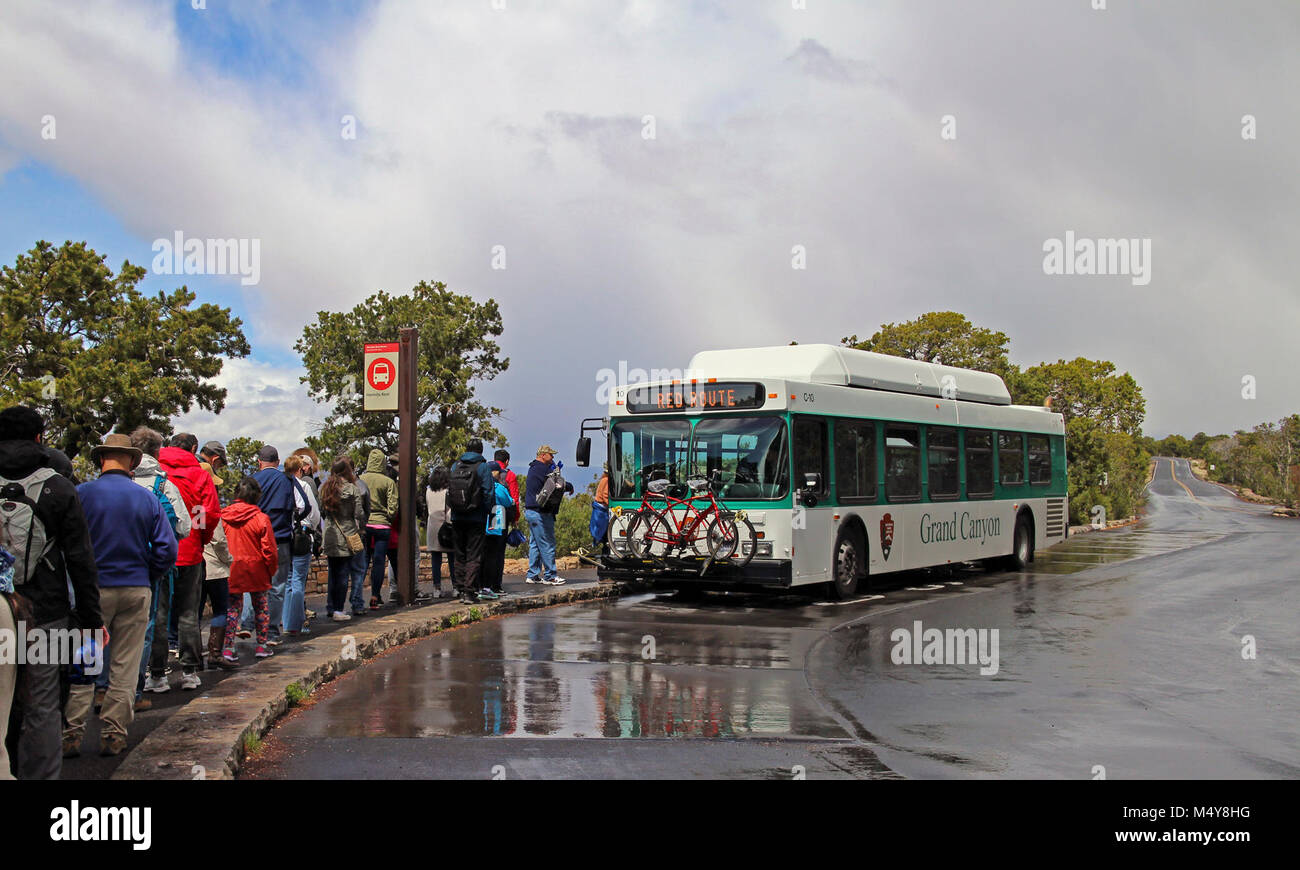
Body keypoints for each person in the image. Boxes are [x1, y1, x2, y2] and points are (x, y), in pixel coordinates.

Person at [0, 406, 101, 779]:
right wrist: (91, 620)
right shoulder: (58, 487)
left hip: (0, 609)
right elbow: (80, 560)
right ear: (40, 437)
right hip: (45, 612)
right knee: (42, 704)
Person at [64, 433, 176, 758]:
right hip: (135, 588)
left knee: (85, 661)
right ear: (132, 462)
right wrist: (148, 573)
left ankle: (71, 733)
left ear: (101, 460)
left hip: (91, 591)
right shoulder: (147, 499)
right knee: (125, 666)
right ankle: (113, 734)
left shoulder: (82, 494)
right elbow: (167, 549)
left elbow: (67, 544)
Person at [123, 427, 190, 709]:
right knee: (149, 626)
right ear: (155, 453)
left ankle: (105, 689)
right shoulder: (163, 485)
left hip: (110, 566)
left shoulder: (115, 482)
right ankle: (142, 685)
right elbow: (183, 526)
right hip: (149, 568)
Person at [150, 434, 220, 692]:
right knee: (189, 613)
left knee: (158, 614)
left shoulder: (156, 469)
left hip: (159, 551)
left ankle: (157, 675)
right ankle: (189, 671)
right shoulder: (200, 474)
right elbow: (209, 513)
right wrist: (200, 537)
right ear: (193, 449)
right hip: (189, 551)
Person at [220, 477, 278, 662]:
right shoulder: (261, 519)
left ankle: (228, 647)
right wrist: (271, 569)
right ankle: (261, 645)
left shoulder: (223, 516)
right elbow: (269, 549)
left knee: (232, 609)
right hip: (257, 568)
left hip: (232, 567)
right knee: (261, 607)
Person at [244, 445, 294, 644]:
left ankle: (247, 623)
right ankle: (271, 631)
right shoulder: (286, 480)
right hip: (279, 537)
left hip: (253, 537)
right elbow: (300, 505)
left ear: (259, 462)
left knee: (251, 582)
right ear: (277, 461)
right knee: (277, 586)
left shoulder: (253, 480)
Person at [448, 439, 494, 603]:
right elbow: (488, 492)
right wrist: (488, 511)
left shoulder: (455, 466)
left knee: (459, 554)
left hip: (457, 516)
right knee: (474, 554)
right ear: (481, 451)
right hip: (476, 516)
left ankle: (460, 589)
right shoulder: (483, 467)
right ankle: (469, 592)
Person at [319, 458, 365, 620]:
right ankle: (339, 609)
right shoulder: (352, 489)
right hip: (347, 533)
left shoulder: (325, 489)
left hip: (330, 533)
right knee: (343, 573)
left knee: (333, 572)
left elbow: (321, 511)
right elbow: (359, 513)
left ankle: (331, 606)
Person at [524, 445, 574, 586]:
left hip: (530, 511)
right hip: (541, 512)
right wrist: (570, 486)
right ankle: (550, 575)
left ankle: (533, 575)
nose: (553, 458)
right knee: (547, 543)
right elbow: (557, 484)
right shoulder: (543, 469)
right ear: (543, 455)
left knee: (535, 544)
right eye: (551, 455)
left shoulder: (533, 468)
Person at [283, 454, 321, 637]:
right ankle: (295, 624)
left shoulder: (281, 485)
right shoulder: (304, 485)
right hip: (302, 534)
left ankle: (285, 621)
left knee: (288, 581)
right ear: (299, 469)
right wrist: (313, 529)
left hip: (284, 535)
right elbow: (314, 513)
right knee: (298, 580)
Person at [359, 448, 398, 609]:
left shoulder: (360, 479)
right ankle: (375, 595)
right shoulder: (388, 481)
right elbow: (393, 507)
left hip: (365, 524)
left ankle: (357, 597)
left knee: (363, 561)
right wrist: (388, 517)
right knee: (379, 561)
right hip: (382, 524)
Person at [480, 461, 516, 599]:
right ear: (495, 473)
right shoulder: (499, 488)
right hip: (497, 518)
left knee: (483, 553)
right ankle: (494, 585)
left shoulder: (481, 486)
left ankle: (480, 584)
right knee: (496, 554)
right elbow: (509, 501)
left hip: (483, 520)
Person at [345, 457, 372, 616]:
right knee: (358, 569)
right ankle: (356, 602)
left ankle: (334, 606)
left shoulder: (332, 486)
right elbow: (365, 511)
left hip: (338, 533)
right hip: (356, 532)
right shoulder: (361, 486)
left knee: (340, 570)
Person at [423, 465, 455, 598]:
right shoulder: (447, 491)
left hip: (432, 527)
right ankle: (456, 587)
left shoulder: (428, 491)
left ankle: (436, 588)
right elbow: (449, 511)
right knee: (452, 559)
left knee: (436, 560)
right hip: (446, 528)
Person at [592, 463, 611, 553]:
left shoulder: (603, 479)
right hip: (602, 507)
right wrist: (610, 505)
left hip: (598, 507)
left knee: (600, 530)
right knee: (605, 531)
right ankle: (605, 550)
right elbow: (605, 495)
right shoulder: (607, 480)